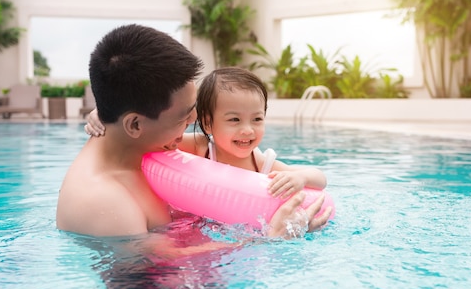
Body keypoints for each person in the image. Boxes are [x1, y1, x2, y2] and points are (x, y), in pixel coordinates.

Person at [57, 23, 330, 239]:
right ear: (135, 125)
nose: (196, 121)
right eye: (184, 117)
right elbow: (160, 281)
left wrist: (106, 113)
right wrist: (272, 238)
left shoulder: (134, 141)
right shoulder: (105, 203)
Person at [86, 66, 326, 199]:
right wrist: (107, 115)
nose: (247, 129)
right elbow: (150, 140)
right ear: (208, 124)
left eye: (257, 119)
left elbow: (320, 178)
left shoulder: (262, 164)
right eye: (234, 119)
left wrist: (301, 178)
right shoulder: (202, 146)